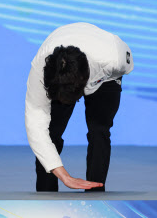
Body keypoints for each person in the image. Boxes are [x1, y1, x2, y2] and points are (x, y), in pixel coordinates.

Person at [24, 22, 134, 192]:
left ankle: (96, 193)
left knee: (99, 130)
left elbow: (121, 70)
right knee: (50, 132)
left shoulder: (114, 59)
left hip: (104, 76)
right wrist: (64, 176)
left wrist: (92, 88)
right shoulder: (40, 71)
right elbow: (36, 128)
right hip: (67, 68)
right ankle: (46, 197)